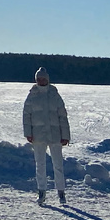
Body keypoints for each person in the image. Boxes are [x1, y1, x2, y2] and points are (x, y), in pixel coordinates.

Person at [22, 67, 70, 205]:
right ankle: (41, 192)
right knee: (40, 165)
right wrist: (28, 133)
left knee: (58, 165)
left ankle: (61, 193)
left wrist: (65, 135)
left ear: (47, 79)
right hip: (38, 136)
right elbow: (26, 115)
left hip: (55, 136)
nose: (41, 81)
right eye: (39, 79)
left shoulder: (54, 95)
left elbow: (62, 116)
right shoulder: (32, 95)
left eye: (43, 79)